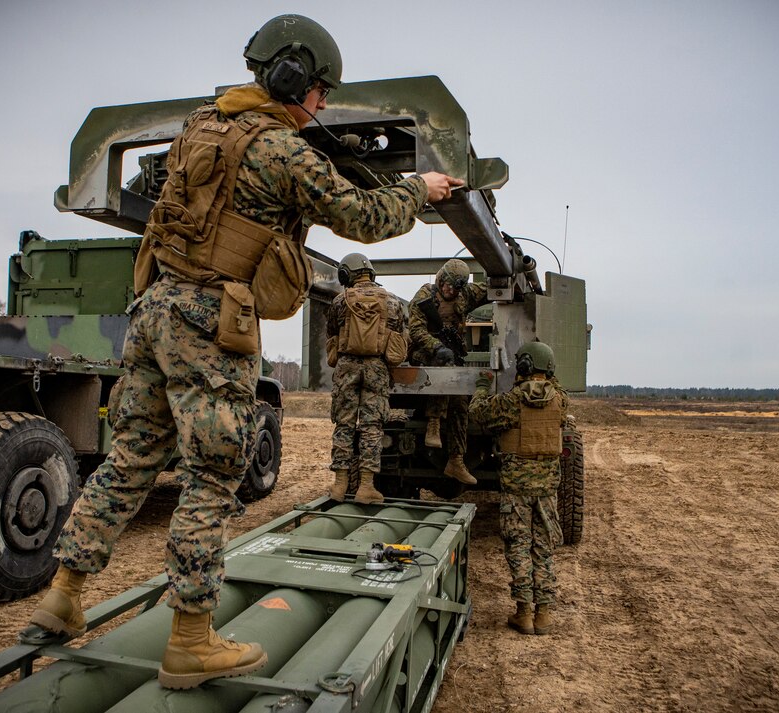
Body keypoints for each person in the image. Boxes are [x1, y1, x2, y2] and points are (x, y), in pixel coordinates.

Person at [27, 13, 463, 690]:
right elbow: (364, 218)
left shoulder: (199, 126)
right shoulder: (282, 152)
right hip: (210, 321)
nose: (321, 104)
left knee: (131, 458)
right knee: (212, 472)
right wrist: (418, 190)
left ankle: (64, 592)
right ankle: (192, 638)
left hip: (153, 311)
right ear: (291, 77)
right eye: (318, 90)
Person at [469, 341, 568, 635]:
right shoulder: (561, 401)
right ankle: (545, 614)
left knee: (519, 547)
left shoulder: (511, 402)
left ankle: (523, 613)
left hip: (516, 488)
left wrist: (483, 386)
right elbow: (553, 387)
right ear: (550, 369)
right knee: (543, 548)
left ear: (523, 367)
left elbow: (478, 412)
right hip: (547, 488)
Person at [326, 253, 408, 504]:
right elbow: (403, 337)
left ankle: (340, 486)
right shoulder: (392, 301)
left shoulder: (340, 300)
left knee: (345, 424)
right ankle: (366, 487)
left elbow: (331, 332)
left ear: (346, 274)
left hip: (346, 367)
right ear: (370, 273)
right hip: (377, 368)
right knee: (372, 427)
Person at [407, 258, 488, 484]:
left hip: (451, 354)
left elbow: (488, 288)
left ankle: (456, 461)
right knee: (443, 366)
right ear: (441, 280)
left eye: (454, 287)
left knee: (461, 401)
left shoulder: (466, 295)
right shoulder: (425, 296)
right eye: (447, 285)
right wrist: (436, 346)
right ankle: (433, 422)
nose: (449, 290)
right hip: (424, 352)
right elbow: (415, 329)